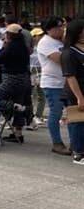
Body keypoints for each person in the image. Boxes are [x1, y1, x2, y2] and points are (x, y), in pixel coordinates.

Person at [0, 23, 32, 143]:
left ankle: (15, 108)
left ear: (9, 35)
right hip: (24, 79)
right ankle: (18, 134)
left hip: (11, 78)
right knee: (18, 101)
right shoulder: (24, 46)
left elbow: (0, 59)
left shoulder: (11, 47)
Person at [37, 17, 70, 155]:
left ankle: (75, 141)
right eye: (58, 27)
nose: (62, 29)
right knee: (55, 112)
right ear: (49, 30)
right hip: (52, 83)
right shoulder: (45, 42)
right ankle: (57, 142)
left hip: (67, 81)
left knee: (72, 113)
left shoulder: (61, 41)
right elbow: (60, 59)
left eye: (63, 26)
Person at [60, 19, 84, 165]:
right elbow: (70, 76)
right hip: (76, 92)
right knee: (78, 122)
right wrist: (80, 97)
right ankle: (78, 152)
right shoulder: (69, 53)